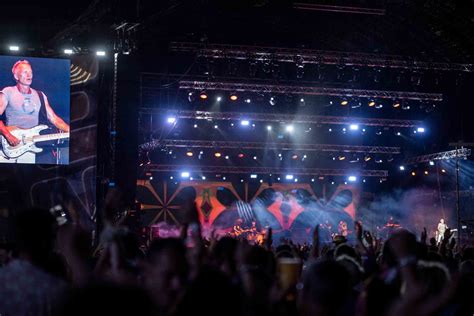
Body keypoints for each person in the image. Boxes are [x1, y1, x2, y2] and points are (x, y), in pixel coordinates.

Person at [0, 59, 69, 163]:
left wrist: (69, 130)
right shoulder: (8, 92)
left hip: (31, 145)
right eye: (25, 72)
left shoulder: (40, 95)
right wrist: (8, 136)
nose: (29, 75)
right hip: (11, 145)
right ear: (16, 76)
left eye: (31, 72)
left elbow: (54, 118)